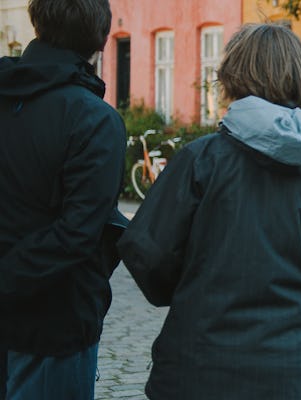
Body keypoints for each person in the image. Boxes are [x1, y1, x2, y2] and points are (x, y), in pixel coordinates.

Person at [116, 23, 301, 400]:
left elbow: (147, 251)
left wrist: (191, 296)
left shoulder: (200, 161)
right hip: (290, 374)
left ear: (234, 76)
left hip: (197, 368)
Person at [0, 0, 127, 398]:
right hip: (54, 324)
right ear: (100, 40)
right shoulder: (94, 119)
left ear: (38, 21)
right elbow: (77, 233)